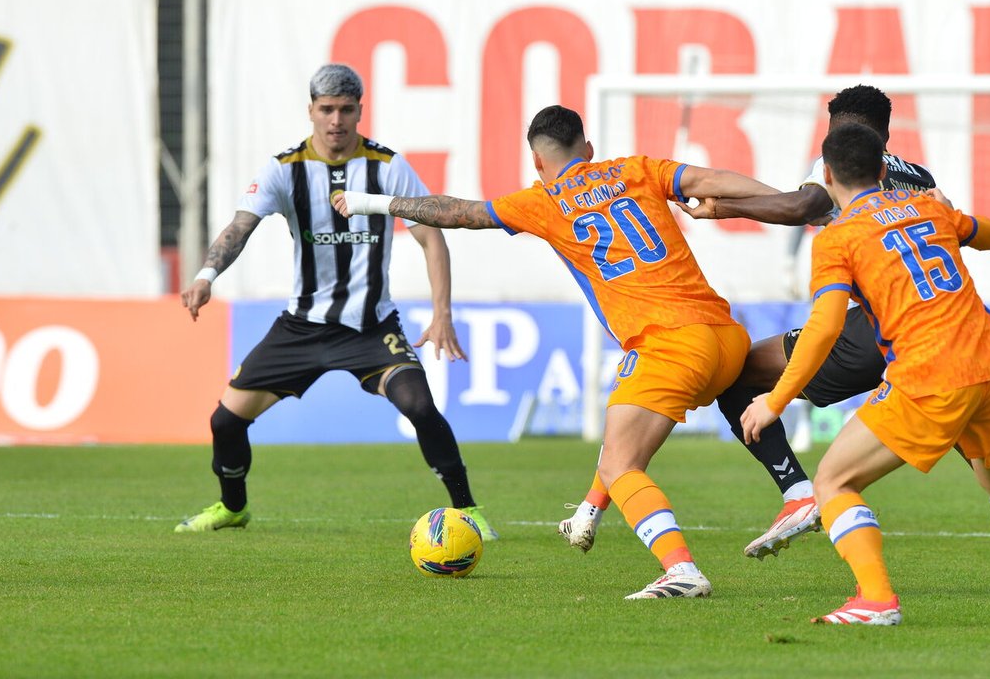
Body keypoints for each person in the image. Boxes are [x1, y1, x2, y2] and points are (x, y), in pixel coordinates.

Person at [560, 86, 990, 601]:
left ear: (833, 140)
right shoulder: (921, 180)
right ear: (887, 135)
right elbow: (973, 234)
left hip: (876, 333)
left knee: (740, 372)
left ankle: (799, 495)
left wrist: (728, 208)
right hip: (954, 337)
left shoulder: (837, 169)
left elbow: (805, 206)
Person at [334, 104, 780, 599]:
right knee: (621, 446)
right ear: (587, 150)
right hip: (725, 335)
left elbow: (459, 213)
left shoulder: (544, 198)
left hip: (669, 343)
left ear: (537, 163)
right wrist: (796, 203)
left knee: (621, 467)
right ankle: (590, 512)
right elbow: (713, 178)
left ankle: (681, 570)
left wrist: (372, 202)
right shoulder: (636, 169)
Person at [739, 122, 990, 626]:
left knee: (833, 480)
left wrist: (774, 400)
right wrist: (954, 211)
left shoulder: (838, 236)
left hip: (932, 371)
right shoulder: (930, 207)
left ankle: (876, 599)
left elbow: (823, 329)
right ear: (884, 168)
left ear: (826, 175)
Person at [174, 63, 497, 540]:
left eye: (346, 109)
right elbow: (240, 227)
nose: (336, 120)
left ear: (360, 111)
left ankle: (468, 510)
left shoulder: (387, 166)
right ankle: (233, 507)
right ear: (311, 111)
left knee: (421, 407)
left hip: (371, 327)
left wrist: (441, 313)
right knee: (224, 422)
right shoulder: (284, 169)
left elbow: (431, 238)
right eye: (326, 109)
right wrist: (206, 274)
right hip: (301, 328)